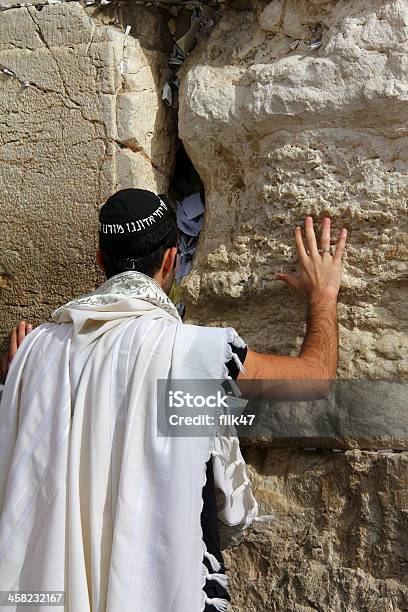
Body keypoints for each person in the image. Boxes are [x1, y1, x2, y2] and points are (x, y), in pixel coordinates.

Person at [0, 188, 347, 612]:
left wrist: (18, 373)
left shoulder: (35, 351)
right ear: (170, 261)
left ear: (100, 262)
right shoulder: (191, 353)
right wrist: (323, 296)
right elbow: (314, 379)